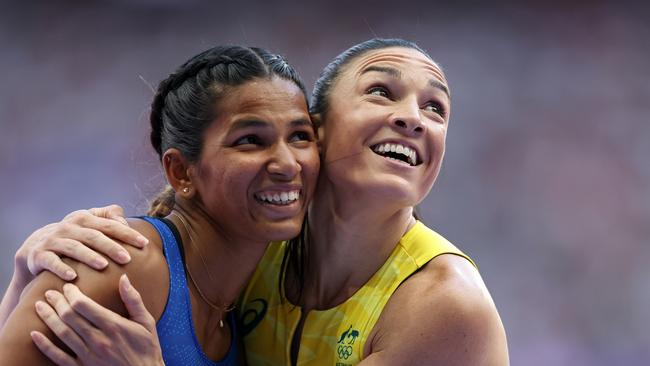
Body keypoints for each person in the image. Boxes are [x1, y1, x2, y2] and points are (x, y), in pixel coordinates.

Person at [5, 39, 509, 365]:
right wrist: (27, 271)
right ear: (323, 130)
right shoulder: (252, 251)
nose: (413, 118)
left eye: (436, 107)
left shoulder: (444, 307)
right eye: (380, 91)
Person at [0, 45, 320, 365]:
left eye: (299, 136)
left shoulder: (251, 299)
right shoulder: (120, 265)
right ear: (181, 172)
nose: (288, 164)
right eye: (250, 140)